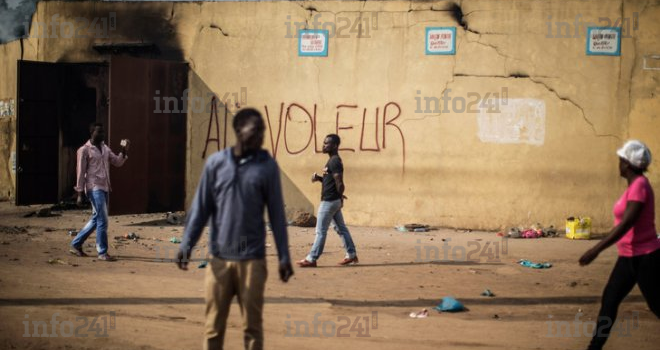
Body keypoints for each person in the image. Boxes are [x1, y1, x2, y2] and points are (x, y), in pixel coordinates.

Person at [176, 108, 293, 350]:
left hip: (253, 261)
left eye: (263, 130)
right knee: (213, 327)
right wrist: (187, 244)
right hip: (219, 259)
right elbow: (201, 208)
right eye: (256, 130)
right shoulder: (216, 164)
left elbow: (277, 214)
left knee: (252, 328)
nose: (261, 135)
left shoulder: (267, 166)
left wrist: (284, 256)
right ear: (239, 131)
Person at [579, 140, 660, 350]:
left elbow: (626, 224)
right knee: (610, 300)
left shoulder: (640, 186)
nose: (618, 164)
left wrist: (596, 249)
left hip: (646, 257)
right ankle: (594, 347)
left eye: (621, 160)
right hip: (628, 257)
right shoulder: (634, 186)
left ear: (627, 163)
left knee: (657, 304)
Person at [69, 122, 129, 261]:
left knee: (97, 219)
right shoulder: (84, 150)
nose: (102, 134)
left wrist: (124, 150)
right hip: (93, 187)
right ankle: (102, 252)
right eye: (99, 132)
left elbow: (117, 162)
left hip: (105, 187)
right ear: (92, 133)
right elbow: (80, 172)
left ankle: (76, 243)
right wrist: (80, 193)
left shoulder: (105, 148)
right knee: (103, 220)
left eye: (103, 132)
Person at [297, 134, 358, 267]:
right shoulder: (332, 161)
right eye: (324, 143)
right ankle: (351, 254)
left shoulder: (334, 161)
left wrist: (340, 197)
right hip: (333, 201)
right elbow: (331, 180)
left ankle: (311, 258)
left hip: (329, 202)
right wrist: (319, 178)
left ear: (335, 146)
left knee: (320, 231)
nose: (323, 145)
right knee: (341, 229)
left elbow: (339, 182)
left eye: (326, 143)